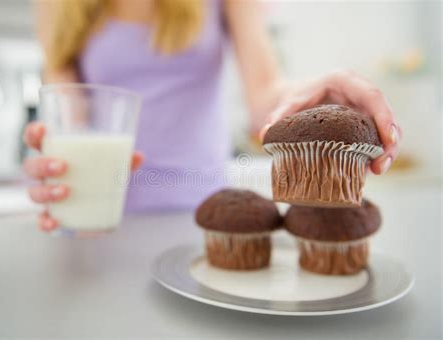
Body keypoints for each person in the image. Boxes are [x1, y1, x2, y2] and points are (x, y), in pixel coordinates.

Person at [24, 0, 401, 232]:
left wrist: (315, 98)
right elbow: (71, 117)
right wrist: (58, 169)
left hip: (203, 212)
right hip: (103, 218)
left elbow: (265, 97)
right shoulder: (59, 4)